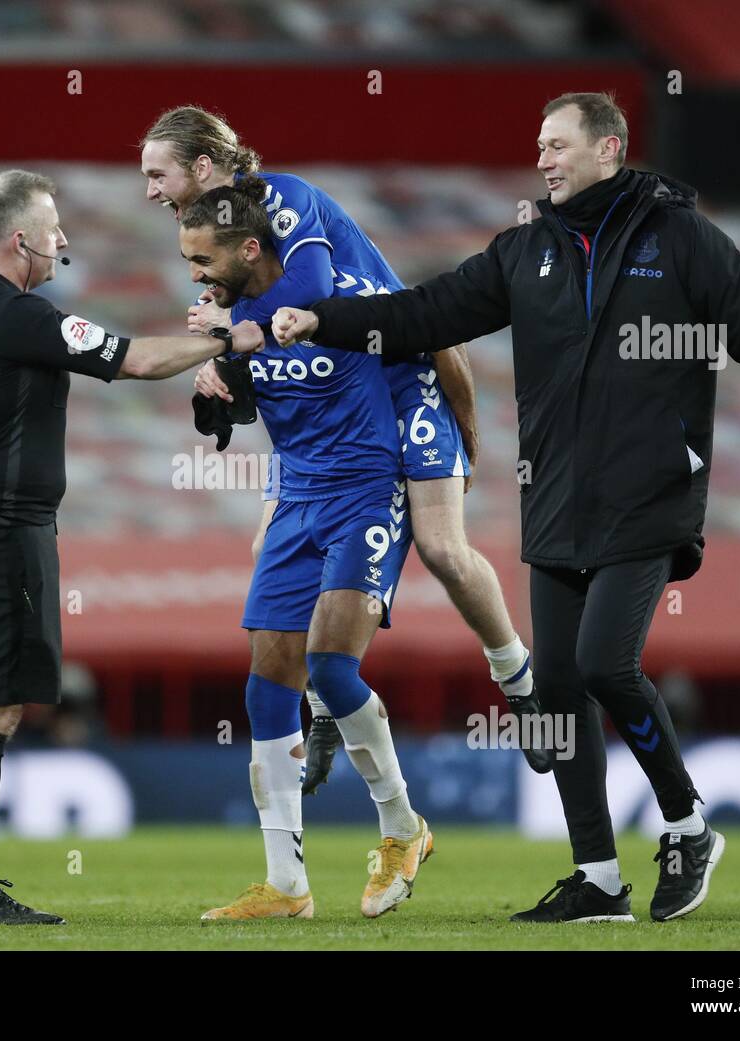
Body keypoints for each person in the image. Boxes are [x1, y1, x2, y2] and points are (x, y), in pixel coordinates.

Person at [271, 91, 740, 923]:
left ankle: (688, 823)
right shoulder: (524, 251)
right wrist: (321, 319)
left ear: (608, 149)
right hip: (556, 500)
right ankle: (597, 877)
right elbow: (424, 312)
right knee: (560, 694)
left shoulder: (681, 239)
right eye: (538, 145)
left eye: (558, 144)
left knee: (605, 664)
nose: (544, 158)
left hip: (649, 492)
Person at [140, 105, 549, 781]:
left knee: (444, 547)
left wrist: (232, 330)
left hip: (396, 374)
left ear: (203, 168)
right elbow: (256, 336)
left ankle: (520, 682)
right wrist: (220, 366)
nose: (150, 191)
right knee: (269, 543)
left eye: (159, 174)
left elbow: (316, 293)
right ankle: (327, 697)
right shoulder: (209, 241)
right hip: (322, 395)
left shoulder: (284, 199)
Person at [0, 169, 265, 925]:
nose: (63, 241)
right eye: (52, 228)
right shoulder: (12, 313)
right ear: (19, 239)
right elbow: (133, 359)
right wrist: (218, 337)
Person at [181, 182, 433, 921]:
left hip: (365, 492)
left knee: (330, 664)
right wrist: (217, 382)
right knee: (267, 682)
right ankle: (286, 884)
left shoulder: (332, 303)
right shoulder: (229, 321)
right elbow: (239, 395)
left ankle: (403, 827)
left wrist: (448, 462)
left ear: (251, 249)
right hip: (295, 501)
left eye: (204, 258)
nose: (195, 273)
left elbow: (427, 347)